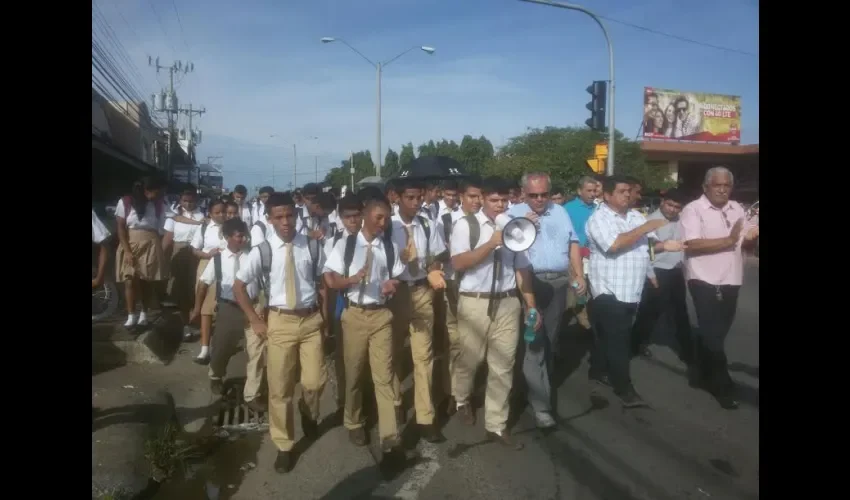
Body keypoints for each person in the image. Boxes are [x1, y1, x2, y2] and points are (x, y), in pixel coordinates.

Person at [234, 192, 326, 473]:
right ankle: (284, 445)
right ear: (269, 219)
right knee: (280, 388)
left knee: (314, 382)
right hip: (279, 323)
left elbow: (322, 281)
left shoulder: (311, 246)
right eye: (279, 217)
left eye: (289, 215)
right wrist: (255, 320)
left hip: (310, 321)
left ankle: (308, 412)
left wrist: (325, 319)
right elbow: (239, 287)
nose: (286, 222)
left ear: (296, 215)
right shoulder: (261, 251)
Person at [450, 177, 540, 449]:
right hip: (475, 301)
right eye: (494, 200)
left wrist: (531, 305)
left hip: (507, 302)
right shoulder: (466, 225)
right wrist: (491, 243)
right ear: (482, 199)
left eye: (504, 200)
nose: (500, 205)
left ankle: (496, 425)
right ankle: (461, 397)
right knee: (470, 359)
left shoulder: (515, 226)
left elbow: (521, 268)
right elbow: (458, 262)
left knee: (503, 365)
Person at [585, 175, 684, 408]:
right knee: (619, 340)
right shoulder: (599, 219)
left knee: (610, 336)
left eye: (629, 191)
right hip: (609, 290)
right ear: (607, 195)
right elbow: (614, 244)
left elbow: (647, 247)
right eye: (621, 191)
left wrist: (663, 250)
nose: (627, 195)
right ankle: (624, 388)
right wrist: (646, 227)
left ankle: (597, 370)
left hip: (632, 290)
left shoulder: (634, 216)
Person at [323, 196, 405, 459]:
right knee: (355, 373)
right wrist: (352, 279)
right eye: (379, 218)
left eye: (387, 218)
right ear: (366, 216)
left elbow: (397, 276)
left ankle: (390, 437)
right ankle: (354, 421)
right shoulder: (346, 245)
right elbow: (331, 279)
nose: (383, 223)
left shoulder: (389, 247)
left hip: (381, 316)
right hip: (354, 315)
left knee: (383, 376)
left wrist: (391, 285)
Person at [508, 172, 585, 429]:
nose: (540, 200)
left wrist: (578, 274)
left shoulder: (560, 212)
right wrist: (523, 226)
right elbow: (510, 253)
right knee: (534, 343)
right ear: (523, 193)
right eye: (533, 195)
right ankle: (541, 406)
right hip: (531, 284)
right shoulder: (513, 214)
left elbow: (573, 242)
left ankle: (531, 388)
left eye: (544, 194)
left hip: (559, 284)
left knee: (549, 341)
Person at [679, 166, 759, 409]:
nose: (722, 190)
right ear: (706, 187)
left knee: (717, 332)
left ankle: (700, 372)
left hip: (732, 278)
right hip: (702, 278)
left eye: (726, 186)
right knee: (713, 334)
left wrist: (752, 234)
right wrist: (728, 240)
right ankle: (721, 384)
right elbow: (691, 244)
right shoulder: (693, 210)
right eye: (717, 185)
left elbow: (744, 239)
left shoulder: (737, 208)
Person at [387, 177, 447, 443]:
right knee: (393, 351)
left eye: (418, 198)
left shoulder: (426, 223)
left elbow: (436, 255)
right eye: (409, 198)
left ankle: (425, 416)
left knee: (423, 356)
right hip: (396, 294)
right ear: (396, 197)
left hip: (422, 291)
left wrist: (435, 271)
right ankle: (395, 400)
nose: (414, 203)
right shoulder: (387, 226)